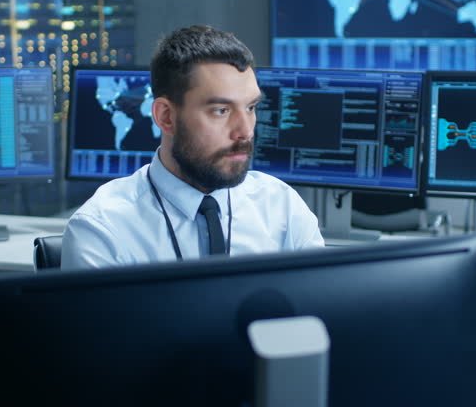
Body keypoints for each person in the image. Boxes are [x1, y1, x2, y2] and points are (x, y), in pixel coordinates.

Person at [62, 25, 325, 269]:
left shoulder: (282, 207)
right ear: (166, 116)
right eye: (221, 110)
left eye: (250, 108)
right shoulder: (102, 230)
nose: (245, 131)